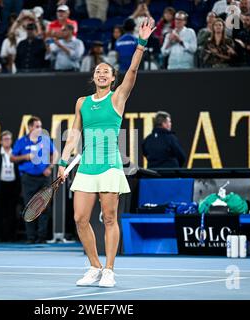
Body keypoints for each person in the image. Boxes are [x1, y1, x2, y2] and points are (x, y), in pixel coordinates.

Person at [57, 17, 156, 288]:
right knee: (79, 218)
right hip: (86, 166)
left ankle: (110, 270)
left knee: (110, 218)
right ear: (94, 77)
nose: (101, 74)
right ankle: (94, 266)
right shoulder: (81, 103)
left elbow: (133, 73)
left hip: (110, 165)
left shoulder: (117, 98)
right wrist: (63, 163)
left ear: (113, 79)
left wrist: (141, 43)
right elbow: (74, 134)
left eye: (106, 72)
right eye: (98, 71)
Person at [11, 116, 58, 244]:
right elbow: (12, 158)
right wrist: (26, 156)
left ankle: (41, 237)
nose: (39, 129)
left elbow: (55, 154)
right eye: (37, 126)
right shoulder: (22, 141)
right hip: (28, 178)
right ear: (30, 127)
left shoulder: (45, 139)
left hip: (44, 178)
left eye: (40, 126)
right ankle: (31, 237)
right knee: (29, 207)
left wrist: (50, 167)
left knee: (44, 207)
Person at [0, 131, 21, 242]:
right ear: (1, 141)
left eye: (9, 139)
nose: (7, 141)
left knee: (11, 212)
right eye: (5, 139)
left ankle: (11, 236)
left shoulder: (16, 153)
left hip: (13, 185)